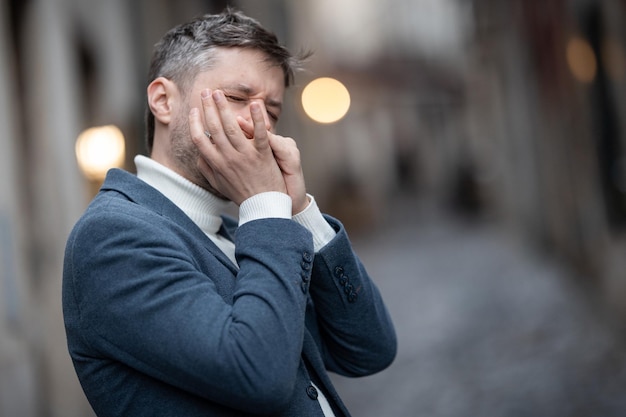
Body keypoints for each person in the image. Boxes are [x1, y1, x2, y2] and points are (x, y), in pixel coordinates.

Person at [63, 8, 396, 417]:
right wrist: (264, 207)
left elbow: (369, 349)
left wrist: (299, 211)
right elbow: (259, 375)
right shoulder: (114, 235)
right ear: (163, 101)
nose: (259, 127)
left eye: (271, 113)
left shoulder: (251, 232)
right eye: (238, 98)